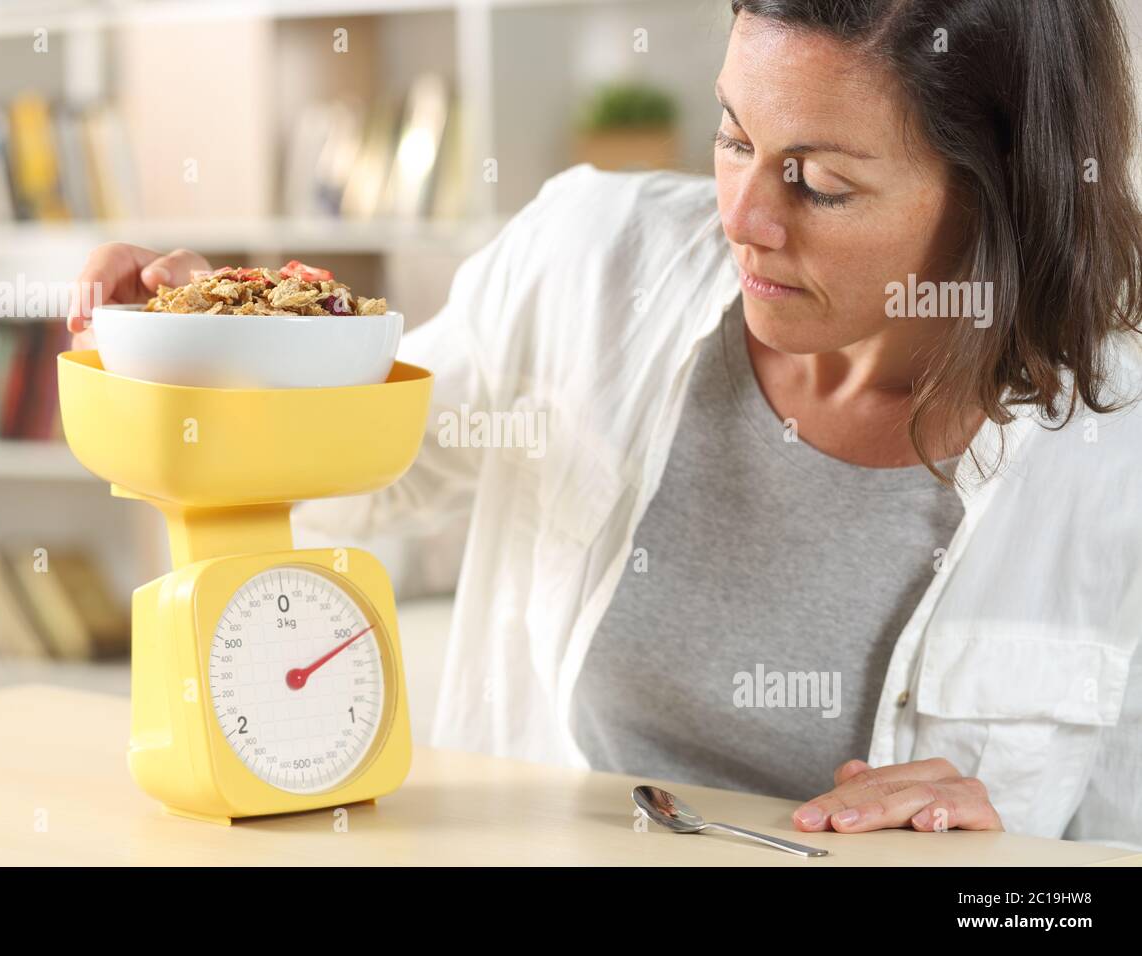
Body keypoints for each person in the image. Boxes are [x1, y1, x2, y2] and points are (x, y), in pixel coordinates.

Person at [69, 0, 1142, 845]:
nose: (741, 217)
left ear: (1004, 192)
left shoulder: (1117, 454)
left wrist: (1001, 873)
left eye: (815, 184)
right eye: (733, 138)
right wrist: (222, 348)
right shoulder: (589, 259)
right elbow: (358, 478)